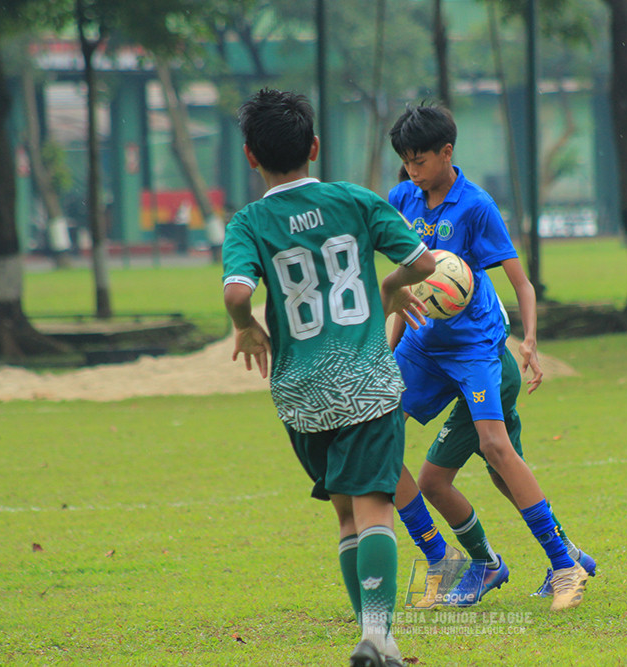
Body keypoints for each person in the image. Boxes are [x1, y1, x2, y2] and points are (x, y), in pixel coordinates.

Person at [222, 89, 435, 667]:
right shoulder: (354, 201)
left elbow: (238, 290)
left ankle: (376, 640)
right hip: (365, 382)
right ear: (314, 147)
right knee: (376, 510)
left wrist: (245, 325)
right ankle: (377, 636)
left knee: (346, 513)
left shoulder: (250, 223)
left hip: (300, 395)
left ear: (250, 157)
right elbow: (423, 263)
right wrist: (389, 289)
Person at [386, 103, 593, 612]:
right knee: (377, 438)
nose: (412, 171)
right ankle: (445, 559)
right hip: (422, 345)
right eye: (406, 162)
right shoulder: (401, 199)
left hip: (476, 347)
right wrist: (386, 353)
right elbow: (404, 289)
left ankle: (563, 564)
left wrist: (529, 341)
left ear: (446, 152)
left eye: (420, 160)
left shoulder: (476, 206)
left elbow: (520, 283)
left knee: (498, 453)